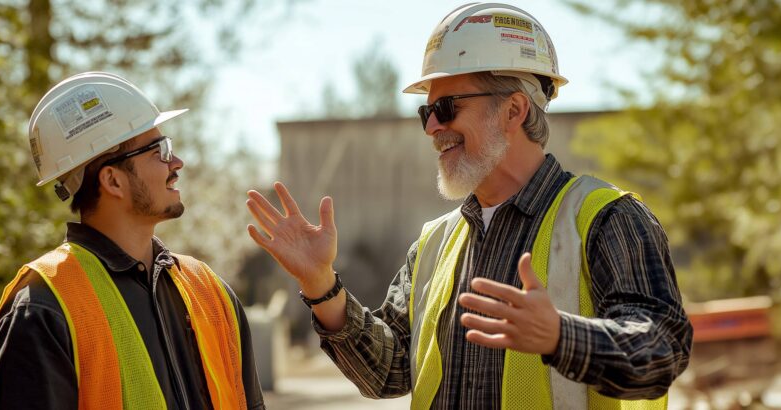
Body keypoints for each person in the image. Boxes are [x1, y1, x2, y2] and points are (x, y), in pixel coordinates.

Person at [245, 3, 691, 409]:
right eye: (426, 113)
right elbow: (389, 373)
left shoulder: (609, 219)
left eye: (447, 107)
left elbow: (663, 353)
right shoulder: (435, 243)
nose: (431, 127)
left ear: (514, 110)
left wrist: (560, 336)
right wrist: (322, 285)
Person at [0, 72, 264, 409]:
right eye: (160, 150)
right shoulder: (41, 310)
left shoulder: (209, 291)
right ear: (113, 180)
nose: (176, 163)